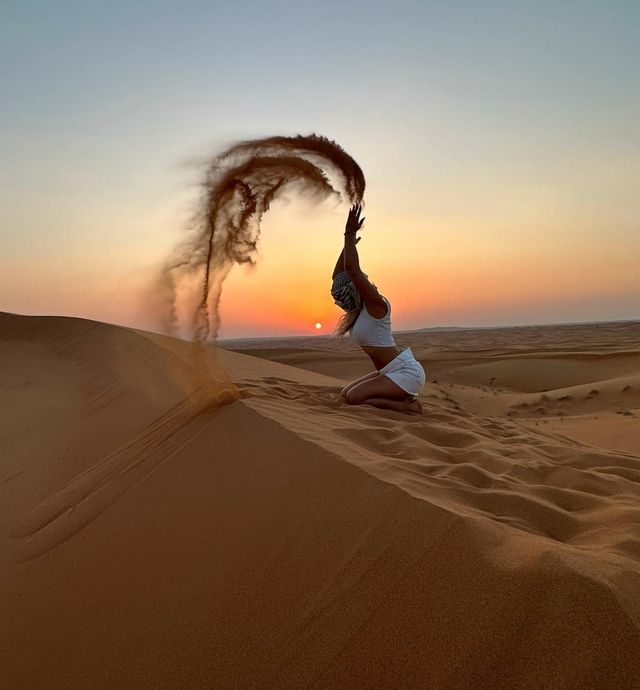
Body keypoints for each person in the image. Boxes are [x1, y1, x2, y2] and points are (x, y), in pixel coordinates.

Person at [331, 204, 425, 414]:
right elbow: (345, 273)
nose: (368, 280)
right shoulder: (359, 311)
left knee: (355, 398)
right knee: (346, 393)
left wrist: (349, 237)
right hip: (389, 371)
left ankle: (409, 407)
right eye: (364, 279)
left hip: (406, 372)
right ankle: (403, 397)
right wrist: (348, 239)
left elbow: (350, 271)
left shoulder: (378, 305)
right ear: (356, 290)